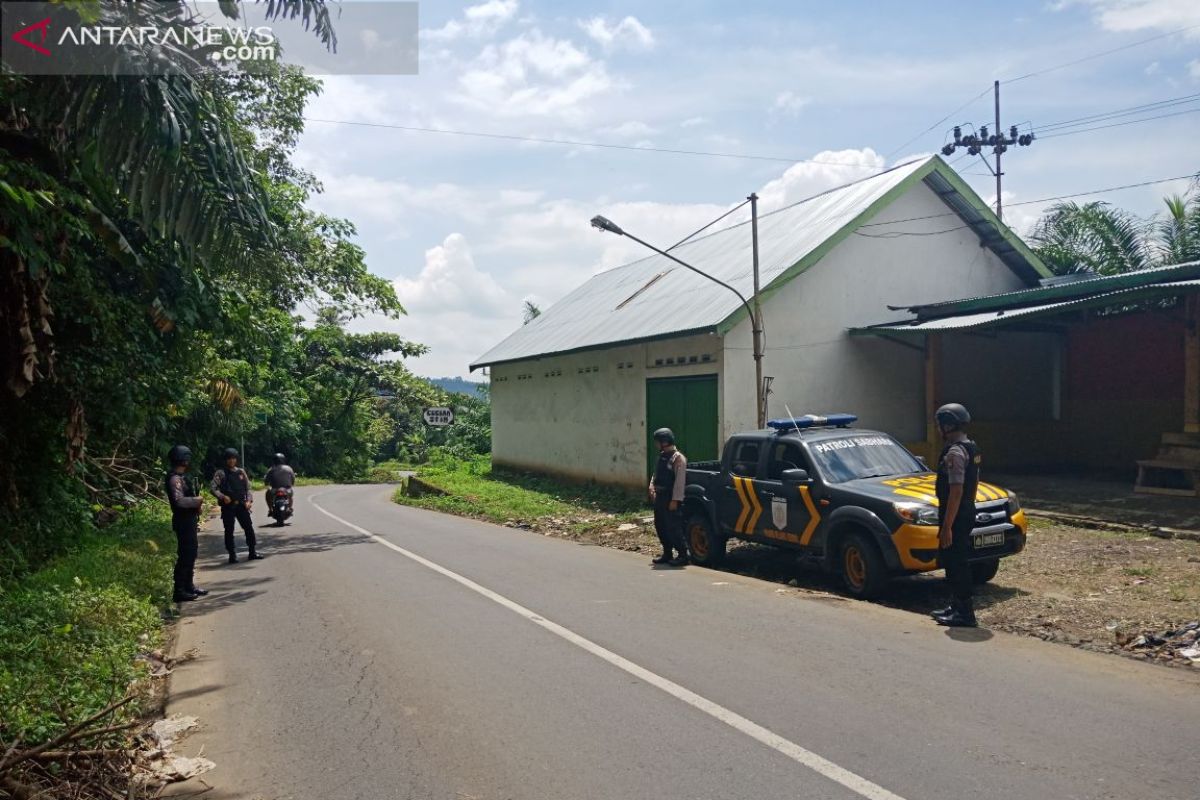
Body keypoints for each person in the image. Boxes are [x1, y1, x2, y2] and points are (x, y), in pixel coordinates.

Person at [930, 403, 980, 628]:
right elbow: (974, 483)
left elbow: (956, 490)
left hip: (956, 514)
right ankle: (956, 605)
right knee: (952, 559)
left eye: (940, 425)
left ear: (948, 425)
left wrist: (947, 525)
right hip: (965, 509)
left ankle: (965, 613)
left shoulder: (955, 452)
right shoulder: (970, 447)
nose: (938, 429)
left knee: (956, 561)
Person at [165, 445, 207, 602]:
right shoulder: (174, 478)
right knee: (185, 555)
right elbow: (179, 501)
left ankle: (189, 585)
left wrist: (196, 506)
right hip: (183, 522)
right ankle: (180, 590)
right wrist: (197, 500)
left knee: (191, 553)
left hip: (189, 520)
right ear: (184, 459)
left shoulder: (181, 478)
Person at [211, 447, 261, 564]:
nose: (231, 461)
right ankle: (232, 555)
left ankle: (252, 552)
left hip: (241, 505)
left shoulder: (241, 472)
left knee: (248, 528)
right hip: (228, 507)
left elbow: (248, 488)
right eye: (229, 459)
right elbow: (213, 488)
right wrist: (223, 496)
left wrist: (249, 501)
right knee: (229, 530)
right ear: (226, 460)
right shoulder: (220, 473)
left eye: (233, 458)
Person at [648, 428, 690, 567]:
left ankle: (683, 555)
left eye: (658, 442)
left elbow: (679, 482)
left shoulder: (677, 458)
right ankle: (667, 553)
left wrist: (675, 500)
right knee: (660, 526)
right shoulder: (662, 456)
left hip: (670, 498)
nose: (656, 445)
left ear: (664, 442)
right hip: (660, 497)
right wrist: (652, 486)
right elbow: (656, 474)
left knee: (673, 527)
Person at [263, 452, 295, 516]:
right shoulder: (289, 468)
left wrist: (266, 483)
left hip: (274, 489)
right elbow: (293, 479)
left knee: (267, 493)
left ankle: (270, 509)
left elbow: (266, 481)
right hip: (287, 489)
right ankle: (289, 508)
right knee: (290, 496)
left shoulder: (271, 469)